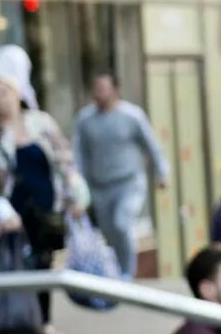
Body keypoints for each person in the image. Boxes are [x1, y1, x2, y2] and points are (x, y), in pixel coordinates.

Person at [0, 46, 88, 334]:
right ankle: (14, 321)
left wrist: (75, 197)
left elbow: (64, 161)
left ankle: (41, 320)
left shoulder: (40, 123)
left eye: (4, 91)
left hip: (44, 205)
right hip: (9, 209)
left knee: (42, 260)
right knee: (11, 263)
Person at [72, 71, 169, 278]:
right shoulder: (85, 119)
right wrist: (78, 182)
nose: (100, 95)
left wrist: (162, 172)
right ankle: (115, 270)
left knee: (121, 222)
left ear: (115, 91)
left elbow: (151, 146)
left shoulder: (132, 116)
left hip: (129, 182)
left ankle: (127, 273)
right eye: (96, 90)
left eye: (104, 90)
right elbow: (79, 153)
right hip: (100, 186)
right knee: (108, 231)